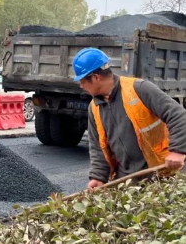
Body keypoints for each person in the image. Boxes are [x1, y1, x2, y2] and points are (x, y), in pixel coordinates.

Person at [73, 47, 186, 191]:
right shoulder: (94, 107)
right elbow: (97, 147)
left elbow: (178, 115)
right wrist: (98, 177)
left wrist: (177, 151)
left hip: (160, 175)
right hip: (127, 182)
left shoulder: (139, 89)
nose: (81, 86)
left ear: (96, 77)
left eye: (82, 81)